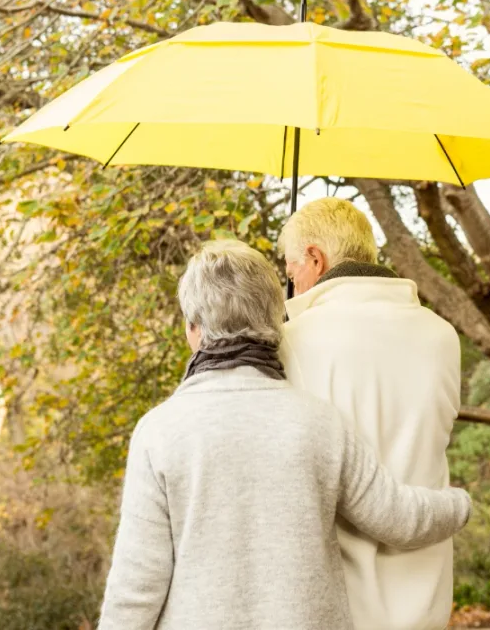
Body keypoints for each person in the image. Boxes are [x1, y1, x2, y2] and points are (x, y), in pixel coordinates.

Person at [98, 240, 470, 630]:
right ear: (273, 321)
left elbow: (136, 587)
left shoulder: (159, 432)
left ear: (194, 329)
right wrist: (459, 504)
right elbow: (399, 518)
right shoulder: (321, 423)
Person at [279, 198, 462, 630]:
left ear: (315, 258)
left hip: (339, 603)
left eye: (291, 272)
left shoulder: (294, 341)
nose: (292, 286)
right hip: (428, 597)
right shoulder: (442, 336)